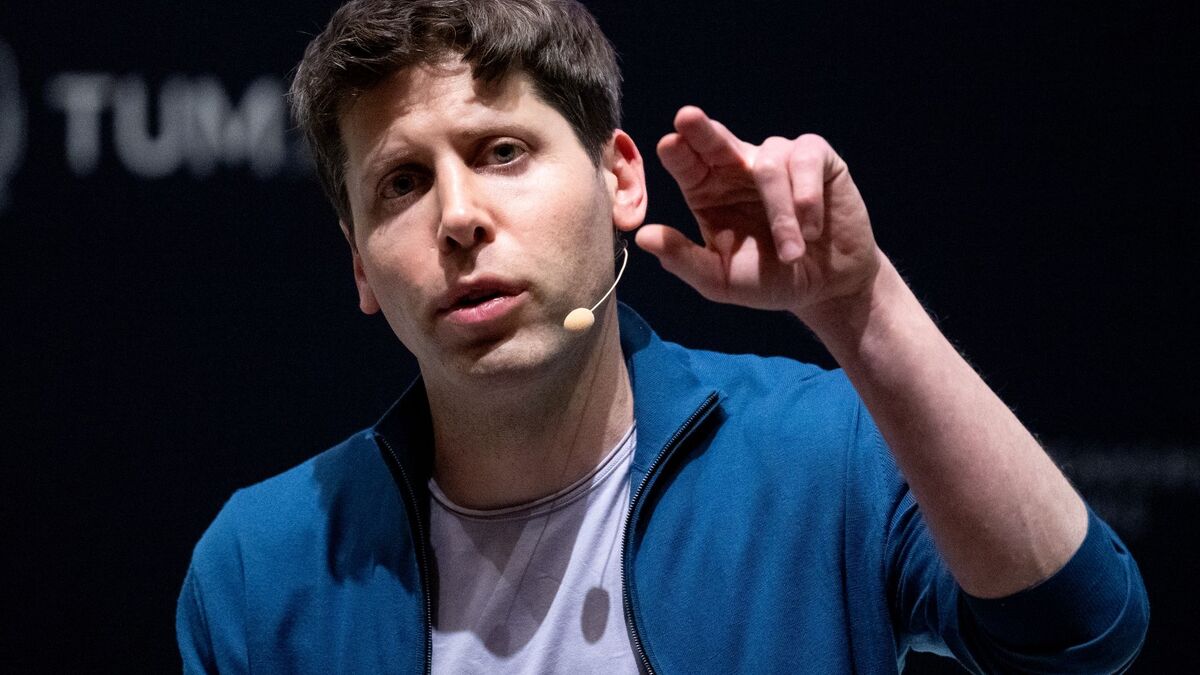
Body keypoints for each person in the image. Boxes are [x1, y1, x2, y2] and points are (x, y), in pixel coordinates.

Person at [177, 0, 1149, 672]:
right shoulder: (265, 564)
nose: (458, 217)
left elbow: (1080, 632)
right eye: (402, 183)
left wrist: (865, 313)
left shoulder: (823, 454)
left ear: (621, 182)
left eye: (502, 151)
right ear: (360, 266)